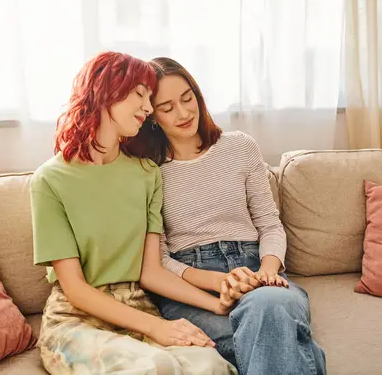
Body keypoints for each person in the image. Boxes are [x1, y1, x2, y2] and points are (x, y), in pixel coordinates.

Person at [30, 51, 237, 374]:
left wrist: (217, 304)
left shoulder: (145, 174)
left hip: (138, 305)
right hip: (75, 318)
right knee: (157, 365)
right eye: (139, 95)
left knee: (211, 365)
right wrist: (156, 328)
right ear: (104, 94)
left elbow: (150, 272)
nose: (147, 107)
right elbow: (75, 288)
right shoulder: (50, 180)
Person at [123, 57, 327, 375]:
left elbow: (269, 224)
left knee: (269, 307)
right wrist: (221, 282)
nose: (183, 113)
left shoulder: (240, 147)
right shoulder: (148, 172)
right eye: (167, 107)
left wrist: (268, 273)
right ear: (152, 116)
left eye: (188, 98)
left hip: (257, 272)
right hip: (193, 285)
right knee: (281, 333)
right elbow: (159, 259)